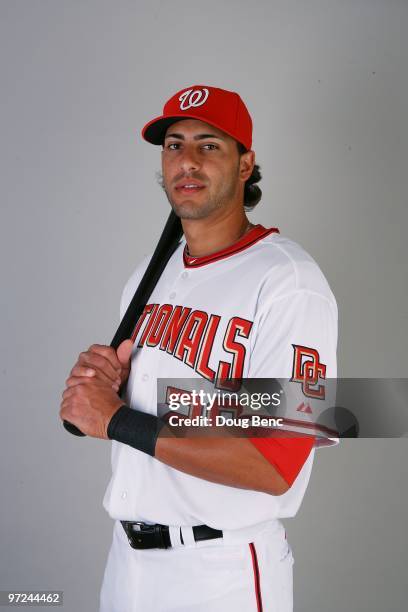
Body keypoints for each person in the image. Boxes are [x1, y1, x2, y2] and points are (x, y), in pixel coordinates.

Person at [60, 84, 338, 612]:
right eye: (174, 145)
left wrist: (116, 420)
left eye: (209, 145)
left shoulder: (289, 281)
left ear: (245, 163)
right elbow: (167, 404)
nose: (186, 161)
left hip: (221, 572)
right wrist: (106, 383)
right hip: (126, 562)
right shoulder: (150, 272)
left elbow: (275, 461)